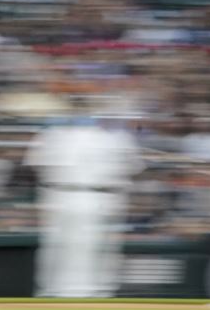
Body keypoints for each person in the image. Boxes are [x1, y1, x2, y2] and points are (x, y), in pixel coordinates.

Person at [24, 98, 144, 298]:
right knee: (69, 253)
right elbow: (136, 168)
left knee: (94, 255)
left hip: (85, 197)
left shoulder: (115, 137)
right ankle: (64, 296)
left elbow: (35, 166)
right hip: (76, 196)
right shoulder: (55, 135)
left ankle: (90, 296)